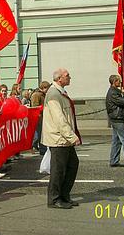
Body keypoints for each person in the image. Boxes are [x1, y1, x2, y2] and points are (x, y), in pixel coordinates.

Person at [42, 68, 81, 209]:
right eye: (67, 76)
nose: (69, 77)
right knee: (58, 171)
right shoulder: (53, 94)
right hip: (58, 139)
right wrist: (72, 136)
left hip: (65, 139)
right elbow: (59, 119)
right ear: (59, 79)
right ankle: (54, 199)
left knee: (72, 166)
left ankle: (64, 196)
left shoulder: (60, 92)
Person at [106, 74, 124, 167]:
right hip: (117, 119)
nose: (121, 82)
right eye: (119, 81)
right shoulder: (113, 93)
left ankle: (114, 160)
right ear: (114, 82)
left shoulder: (114, 91)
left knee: (116, 141)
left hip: (116, 118)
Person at [31, 81, 50, 155]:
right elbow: (35, 107)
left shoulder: (43, 95)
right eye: (47, 88)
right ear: (44, 88)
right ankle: (41, 149)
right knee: (39, 135)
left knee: (41, 134)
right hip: (38, 118)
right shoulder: (36, 95)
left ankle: (41, 148)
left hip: (43, 117)